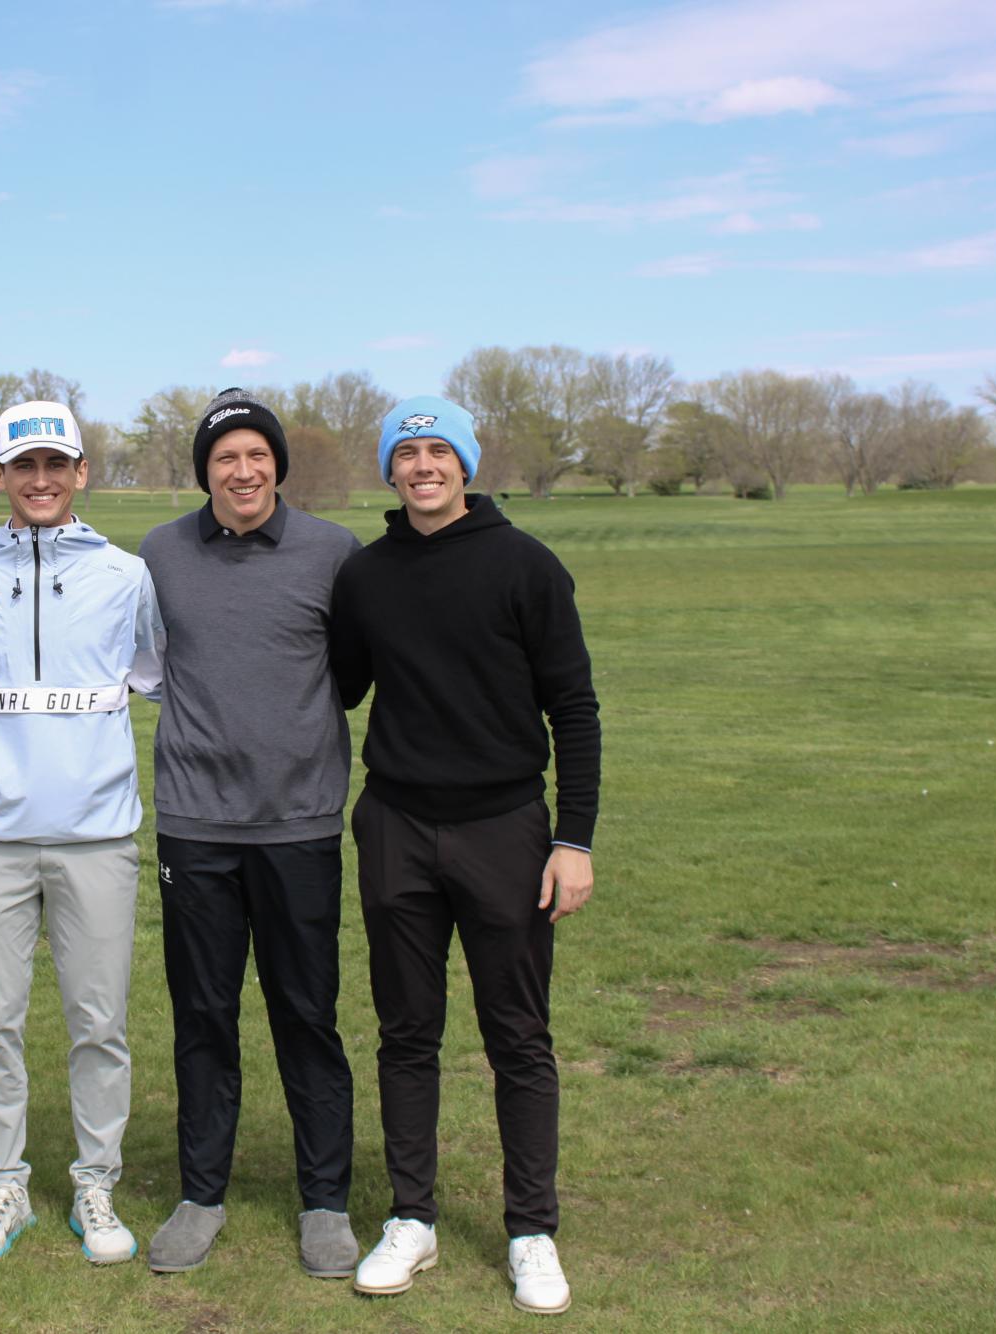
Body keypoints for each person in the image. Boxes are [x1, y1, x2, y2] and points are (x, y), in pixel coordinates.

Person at [329, 394, 600, 1315]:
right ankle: (412, 1218)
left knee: (517, 1036)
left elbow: (574, 709)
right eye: (406, 453)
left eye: (439, 450)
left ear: (466, 465)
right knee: (407, 1034)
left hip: (506, 830)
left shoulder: (526, 566)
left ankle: (531, 1231)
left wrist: (573, 839)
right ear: (389, 471)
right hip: (396, 826)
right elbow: (342, 681)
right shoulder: (366, 576)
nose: (422, 466)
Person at [0, 399, 165, 1265]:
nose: (40, 480)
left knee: (97, 1022)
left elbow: (149, 675)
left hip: (98, 837)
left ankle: (95, 1183)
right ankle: (3, 1184)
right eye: (23, 466)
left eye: (55, 465)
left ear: (80, 473)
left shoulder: (127, 575)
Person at [137, 389, 361, 1278]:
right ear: (205, 472)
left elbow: (349, 677)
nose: (242, 470)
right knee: (203, 1015)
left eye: (255, 455)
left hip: (298, 825)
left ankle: (325, 1204)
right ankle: (200, 1195)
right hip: (195, 826)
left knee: (307, 1015)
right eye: (224, 458)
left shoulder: (332, 552)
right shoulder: (159, 552)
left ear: (276, 465)